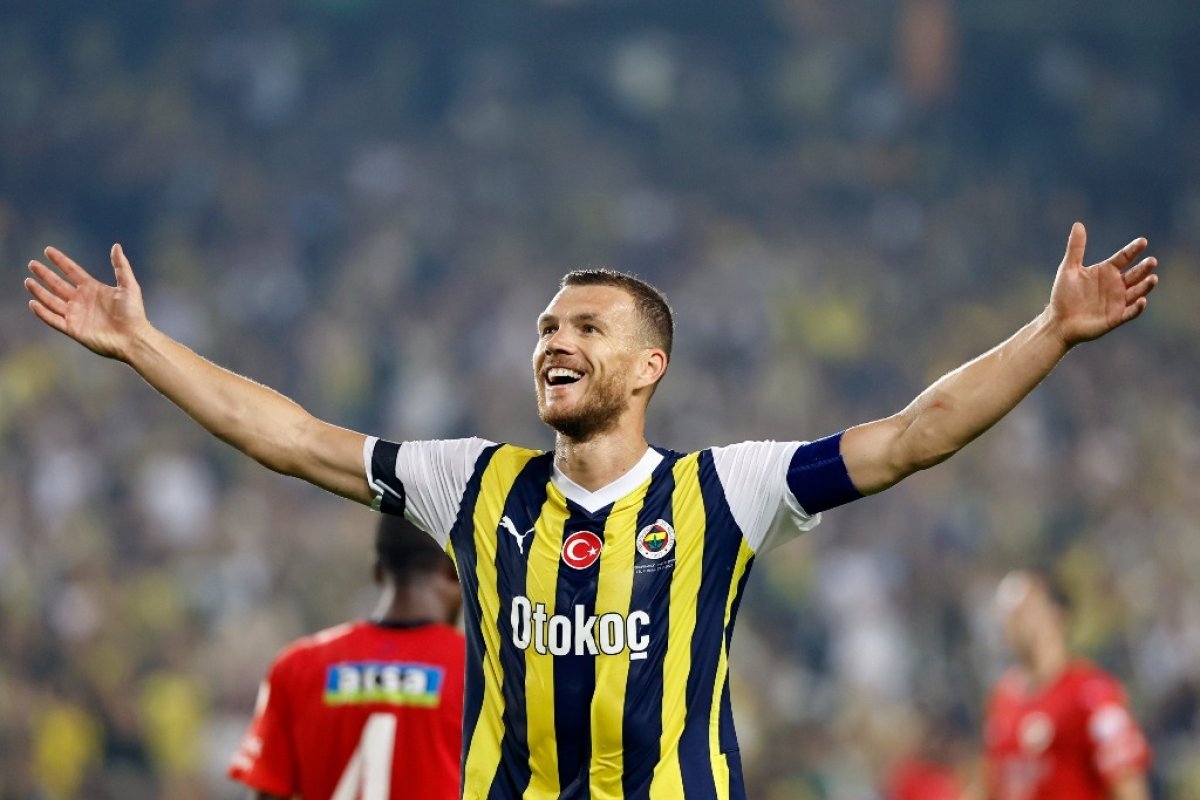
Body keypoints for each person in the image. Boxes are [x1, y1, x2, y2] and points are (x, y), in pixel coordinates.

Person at [23, 222, 1158, 798]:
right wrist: (144, 345)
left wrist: (1050, 332)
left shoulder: (724, 490)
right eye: (545, 329)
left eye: (585, 327)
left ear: (650, 365)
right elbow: (293, 437)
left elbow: (914, 435)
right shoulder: (475, 482)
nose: (554, 341)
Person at [227, 513, 465, 800]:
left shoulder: (297, 666)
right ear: (455, 570)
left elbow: (266, 794)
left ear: (377, 570)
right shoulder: (482, 674)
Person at [967, 569, 1151, 800]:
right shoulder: (1002, 699)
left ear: (1057, 615)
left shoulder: (1092, 695)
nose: (1014, 621)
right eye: (1008, 614)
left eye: (1026, 609)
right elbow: (989, 783)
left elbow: (1129, 788)